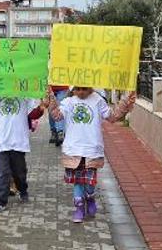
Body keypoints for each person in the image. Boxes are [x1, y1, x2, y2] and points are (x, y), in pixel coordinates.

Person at [49, 87, 136, 223]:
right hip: (74, 149)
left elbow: (112, 117)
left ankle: (90, 198)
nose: (81, 92)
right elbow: (57, 116)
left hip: (91, 149)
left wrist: (126, 101)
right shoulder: (68, 102)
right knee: (78, 181)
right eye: (78, 89)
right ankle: (79, 208)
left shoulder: (97, 100)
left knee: (89, 181)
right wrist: (50, 98)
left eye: (84, 89)